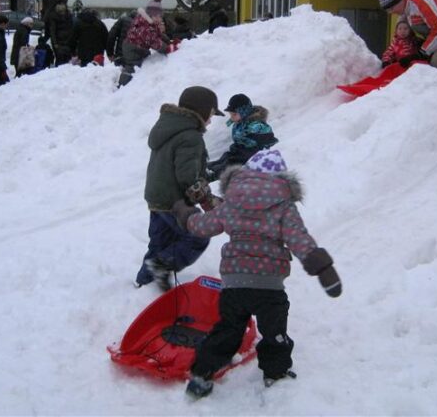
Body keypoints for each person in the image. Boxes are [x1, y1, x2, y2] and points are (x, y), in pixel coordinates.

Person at [171, 149, 342, 398]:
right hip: (269, 286)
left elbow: (204, 226)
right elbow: (300, 240)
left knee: (227, 330)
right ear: (281, 180)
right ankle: (275, 373)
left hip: (234, 284)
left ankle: (201, 375)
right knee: (274, 333)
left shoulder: (232, 201)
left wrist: (186, 215)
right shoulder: (284, 206)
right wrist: (323, 268)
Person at [134, 86, 226, 291]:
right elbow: (188, 178)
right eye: (210, 114)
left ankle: (144, 283)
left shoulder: (168, 128)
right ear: (201, 111)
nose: (210, 120)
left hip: (156, 198)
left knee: (160, 241)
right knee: (198, 237)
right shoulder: (190, 137)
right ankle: (161, 266)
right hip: (175, 201)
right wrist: (209, 202)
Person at [206, 93, 278, 181]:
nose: (231, 117)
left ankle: (209, 176)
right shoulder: (239, 122)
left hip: (249, 155)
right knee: (223, 160)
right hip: (237, 151)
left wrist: (260, 154)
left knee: (227, 167)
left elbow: (267, 137)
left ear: (244, 112)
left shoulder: (255, 126)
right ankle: (206, 169)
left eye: (234, 114)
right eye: (230, 114)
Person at [119, 0, 173, 86]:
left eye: (160, 17)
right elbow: (155, 43)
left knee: (143, 61)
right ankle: (122, 85)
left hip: (138, 47)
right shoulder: (145, 28)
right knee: (132, 66)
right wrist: (168, 48)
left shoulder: (151, 24)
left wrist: (169, 41)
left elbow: (159, 35)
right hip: (132, 48)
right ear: (152, 16)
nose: (160, 19)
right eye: (158, 17)